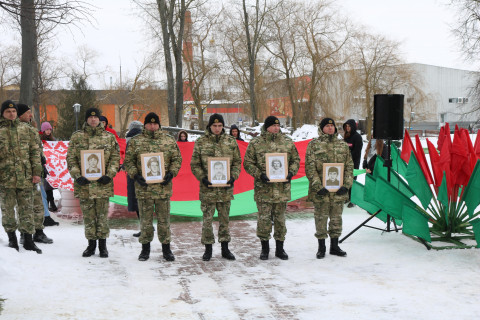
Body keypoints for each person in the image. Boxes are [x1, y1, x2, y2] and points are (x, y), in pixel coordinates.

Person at [124, 112, 182, 261]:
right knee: (145, 222)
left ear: (159, 125)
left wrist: (171, 173)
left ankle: (166, 249)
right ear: (145, 125)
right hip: (144, 190)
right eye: (149, 124)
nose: (152, 126)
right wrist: (135, 175)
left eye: (155, 124)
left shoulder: (168, 141)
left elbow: (177, 159)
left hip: (163, 189)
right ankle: (145, 250)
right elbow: (128, 162)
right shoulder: (136, 141)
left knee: (164, 221)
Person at [244, 115, 300, 260]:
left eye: (278, 125)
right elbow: (248, 163)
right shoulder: (256, 143)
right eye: (273, 126)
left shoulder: (287, 142)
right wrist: (259, 174)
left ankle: (280, 249)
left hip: (282, 190)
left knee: (280, 219)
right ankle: (265, 249)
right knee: (264, 219)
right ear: (267, 127)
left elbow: (296, 160)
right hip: (264, 189)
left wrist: (291, 172)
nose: (276, 128)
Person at [66, 107, 120, 258]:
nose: (93, 120)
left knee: (102, 216)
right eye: (90, 117)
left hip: (103, 184)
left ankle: (103, 246)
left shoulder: (109, 137)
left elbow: (115, 158)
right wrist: (77, 175)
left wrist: (109, 175)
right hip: (85, 185)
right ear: (86, 119)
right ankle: (91, 245)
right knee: (89, 217)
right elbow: (71, 158)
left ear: (100, 119)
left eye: (96, 117)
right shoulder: (77, 137)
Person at [190, 114, 241, 261]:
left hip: (225, 190)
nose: (217, 129)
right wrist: (202, 178)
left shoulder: (231, 142)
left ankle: (225, 249)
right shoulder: (201, 142)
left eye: (220, 126)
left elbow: (237, 162)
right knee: (207, 220)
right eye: (214, 126)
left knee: (224, 220)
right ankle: (208, 249)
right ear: (209, 126)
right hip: (208, 190)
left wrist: (233, 176)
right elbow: (194, 164)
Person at [305, 118, 353, 259]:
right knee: (321, 218)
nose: (330, 128)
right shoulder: (314, 145)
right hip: (321, 191)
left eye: (332, 125)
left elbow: (349, 166)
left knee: (336, 218)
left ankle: (334, 246)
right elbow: (310, 167)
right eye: (327, 126)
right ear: (322, 128)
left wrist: (346, 185)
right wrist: (318, 186)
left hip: (338, 190)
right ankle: (321, 247)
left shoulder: (342, 145)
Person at [0, 100, 43, 253]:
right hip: (5, 179)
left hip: (25, 177)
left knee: (26, 209)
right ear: (3, 113)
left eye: (13, 111)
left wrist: (37, 173)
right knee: (8, 210)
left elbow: (35, 152)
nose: (11, 114)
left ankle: (28, 240)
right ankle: (12, 239)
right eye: (8, 112)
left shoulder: (27, 129)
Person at [16, 104, 53, 245]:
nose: (30, 115)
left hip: (35, 173)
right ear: (20, 115)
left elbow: (37, 149)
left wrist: (42, 161)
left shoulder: (31, 128)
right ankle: (25, 234)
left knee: (38, 203)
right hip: (23, 174)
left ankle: (38, 232)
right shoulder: (16, 131)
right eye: (28, 113)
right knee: (25, 205)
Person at [125, 120, 144, 237]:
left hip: (133, 174)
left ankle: (144, 227)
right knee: (143, 201)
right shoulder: (144, 137)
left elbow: (129, 157)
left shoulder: (129, 138)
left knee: (137, 201)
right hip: (144, 173)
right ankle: (147, 226)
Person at [39, 121, 60, 216]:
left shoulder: (52, 140)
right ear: (43, 130)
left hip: (51, 165)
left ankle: (51, 203)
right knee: (45, 185)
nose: (48, 131)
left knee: (49, 185)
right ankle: (47, 204)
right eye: (47, 129)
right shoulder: (40, 140)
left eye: (50, 130)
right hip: (42, 165)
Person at [343, 119, 362, 208]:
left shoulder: (357, 137)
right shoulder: (347, 136)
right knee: (345, 181)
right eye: (346, 126)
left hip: (354, 163)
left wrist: (348, 158)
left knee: (352, 181)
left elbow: (357, 152)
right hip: (345, 163)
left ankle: (353, 200)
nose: (347, 128)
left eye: (349, 126)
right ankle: (347, 197)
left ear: (353, 127)